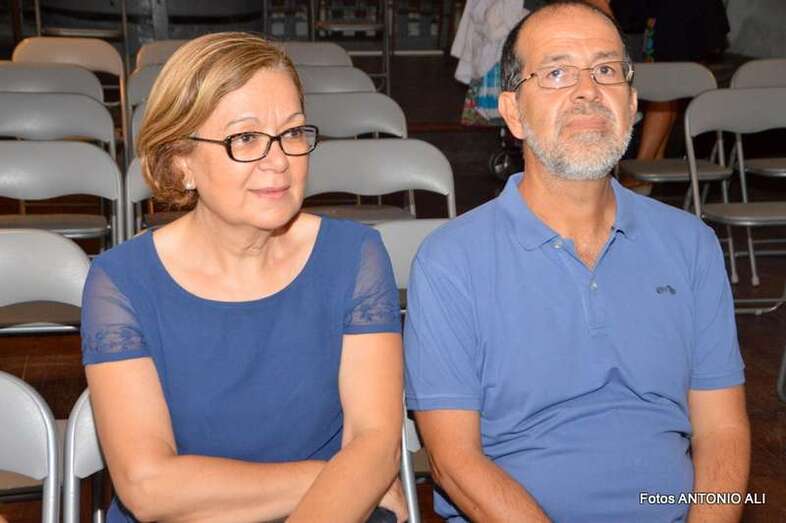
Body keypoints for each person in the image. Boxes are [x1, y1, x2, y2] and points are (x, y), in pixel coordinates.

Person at [404, 2, 749, 522]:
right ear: (513, 112)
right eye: (557, 72)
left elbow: (722, 429)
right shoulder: (452, 261)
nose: (588, 90)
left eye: (606, 70)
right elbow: (454, 461)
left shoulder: (690, 244)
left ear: (632, 102)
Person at [81, 32, 405, 523]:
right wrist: (328, 476)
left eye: (292, 133)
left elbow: (375, 441)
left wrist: (347, 482)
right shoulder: (121, 281)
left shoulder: (354, 256)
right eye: (246, 138)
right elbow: (148, 487)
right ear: (181, 161)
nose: (279, 161)